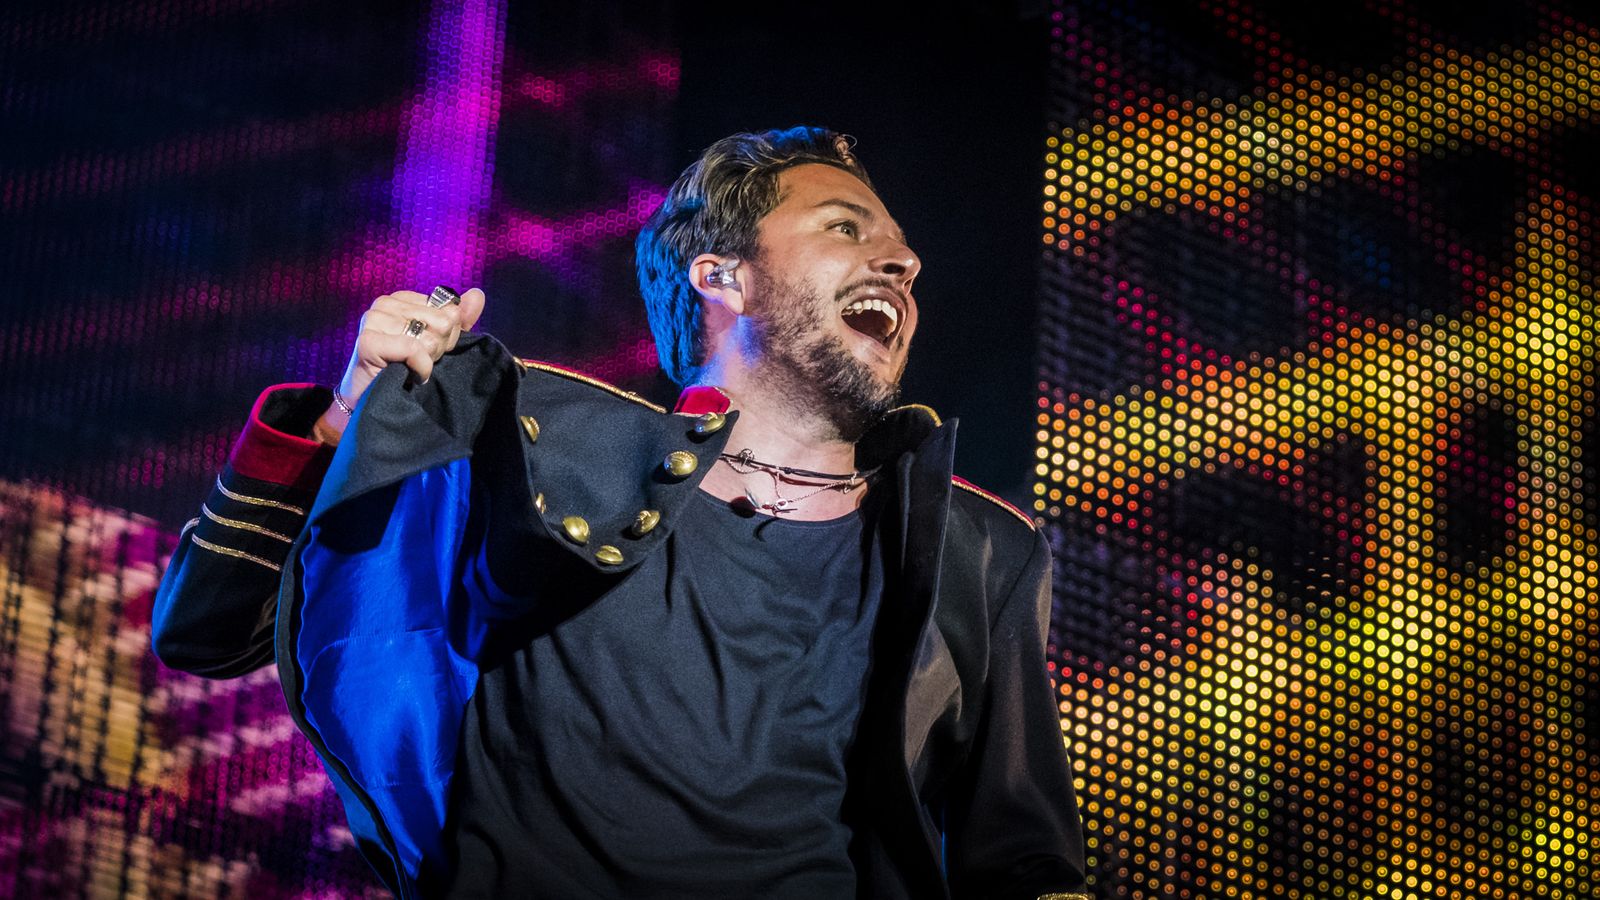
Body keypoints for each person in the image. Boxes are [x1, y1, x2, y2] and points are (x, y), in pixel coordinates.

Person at [152, 126, 1089, 899]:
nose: (904, 260)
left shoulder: (976, 552)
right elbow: (208, 630)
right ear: (721, 276)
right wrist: (347, 419)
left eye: (901, 253)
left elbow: (1023, 857)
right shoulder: (536, 441)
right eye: (845, 228)